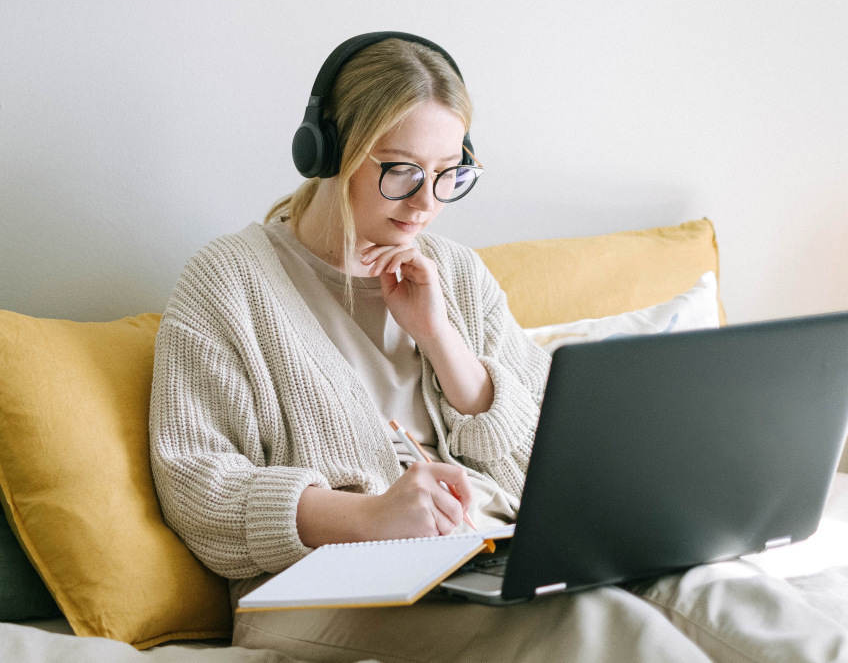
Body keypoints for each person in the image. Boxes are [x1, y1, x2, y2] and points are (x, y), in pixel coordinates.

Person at [149, 33, 848, 662]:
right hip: (316, 592)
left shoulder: (453, 272)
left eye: (448, 172)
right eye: (399, 170)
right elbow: (196, 486)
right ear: (329, 153)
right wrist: (366, 517)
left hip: (488, 553)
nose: (426, 202)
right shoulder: (229, 281)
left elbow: (550, 456)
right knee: (604, 627)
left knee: (722, 595)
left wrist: (443, 340)